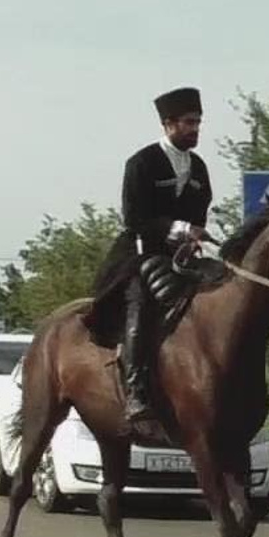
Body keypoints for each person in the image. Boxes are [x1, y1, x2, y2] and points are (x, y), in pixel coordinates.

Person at [86, 86, 219, 431]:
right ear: (168, 123)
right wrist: (182, 227)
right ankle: (136, 389)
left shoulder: (199, 168)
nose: (195, 129)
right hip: (139, 253)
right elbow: (135, 218)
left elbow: (200, 212)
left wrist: (194, 235)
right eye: (189, 123)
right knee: (141, 303)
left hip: (181, 256)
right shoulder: (142, 163)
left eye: (198, 123)